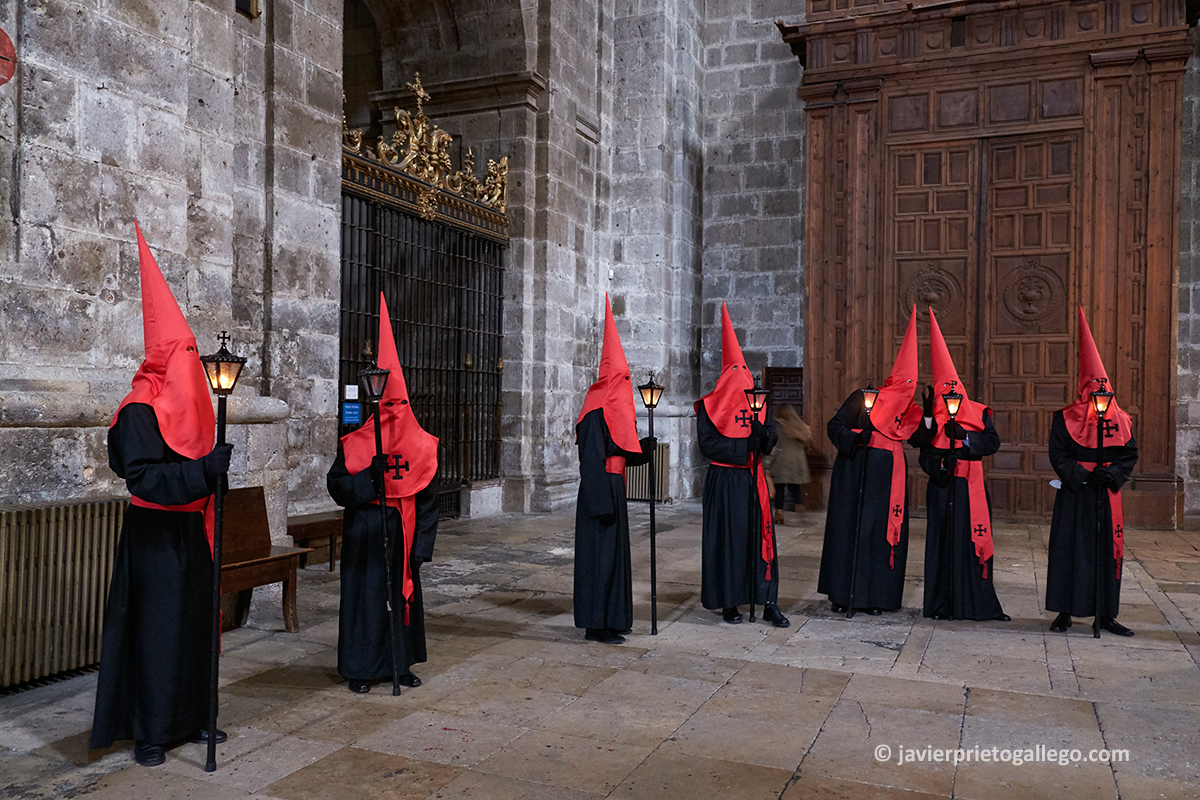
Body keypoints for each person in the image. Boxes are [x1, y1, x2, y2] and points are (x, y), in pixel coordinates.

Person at [91, 224, 231, 767]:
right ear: (163, 359)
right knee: (157, 636)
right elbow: (145, 478)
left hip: (189, 534)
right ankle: (150, 731)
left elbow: (194, 460)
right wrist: (202, 473)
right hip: (153, 538)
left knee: (193, 627)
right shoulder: (138, 411)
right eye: (186, 352)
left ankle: (194, 716)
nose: (193, 363)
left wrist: (211, 470)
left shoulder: (187, 404)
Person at [328, 293, 440, 693]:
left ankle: (400, 664)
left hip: (404, 531)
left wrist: (421, 547)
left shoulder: (423, 445)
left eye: (399, 402)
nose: (393, 410)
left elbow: (428, 503)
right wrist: (367, 481)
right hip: (365, 533)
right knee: (365, 601)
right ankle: (359, 668)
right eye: (385, 401)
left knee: (403, 601)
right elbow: (337, 487)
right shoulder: (355, 441)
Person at [819, 306, 930, 615]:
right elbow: (835, 426)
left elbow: (921, 439)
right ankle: (843, 595)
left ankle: (876, 597)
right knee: (851, 531)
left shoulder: (910, 410)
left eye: (912, 385)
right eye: (904, 384)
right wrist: (857, 439)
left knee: (880, 535)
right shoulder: (863, 397)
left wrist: (931, 416)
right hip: (855, 476)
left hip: (887, 485)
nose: (908, 391)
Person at [1045, 308, 1139, 636]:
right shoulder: (1065, 417)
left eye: (1104, 388)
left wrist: (1111, 474)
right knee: (1068, 549)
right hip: (1075, 493)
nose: (1099, 393)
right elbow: (1058, 452)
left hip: (1106, 493)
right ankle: (1064, 611)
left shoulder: (1122, 419)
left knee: (1106, 552)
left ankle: (1106, 614)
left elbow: (1129, 453)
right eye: (1094, 387)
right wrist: (1083, 476)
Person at [695, 303, 787, 627]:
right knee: (729, 542)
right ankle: (729, 601)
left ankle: (769, 602)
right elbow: (708, 445)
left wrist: (763, 437)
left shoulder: (758, 401)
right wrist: (741, 444)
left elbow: (773, 433)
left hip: (754, 479)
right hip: (725, 481)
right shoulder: (708, 408)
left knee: (761, 541)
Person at [573, 295, 655, 644]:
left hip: (614, 490)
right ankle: (596, 624)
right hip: (601, 495)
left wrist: (645, 450)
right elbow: (591, 461)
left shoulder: (610, 411)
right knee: (599, 562)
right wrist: (602, 503)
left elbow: (621, 451)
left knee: (613, 561)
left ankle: (613, 618)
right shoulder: (594, 412)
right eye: (621, 378)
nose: (625, 384)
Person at [918, 308, 1009, 622]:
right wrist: (943, 462)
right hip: (943, 488)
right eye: (945, 394)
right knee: (943, 546)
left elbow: (993, 443)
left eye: (954, 393)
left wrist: (967, 439)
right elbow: (923, 455)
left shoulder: (979, 413)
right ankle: (942, 605)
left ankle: (978, 605)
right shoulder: (932, 420)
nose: (950, 398)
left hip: (971, 489)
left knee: (973, 543)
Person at [764, 405, 810, 524]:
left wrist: (766, 464)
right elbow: (806, 447)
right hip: (797, 464)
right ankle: (801, 512)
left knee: (779, 489)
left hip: (781, 463)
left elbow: (774, 447)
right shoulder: (800, 427)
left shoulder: (779, 427)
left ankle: (779, 514)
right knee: (795, 489)